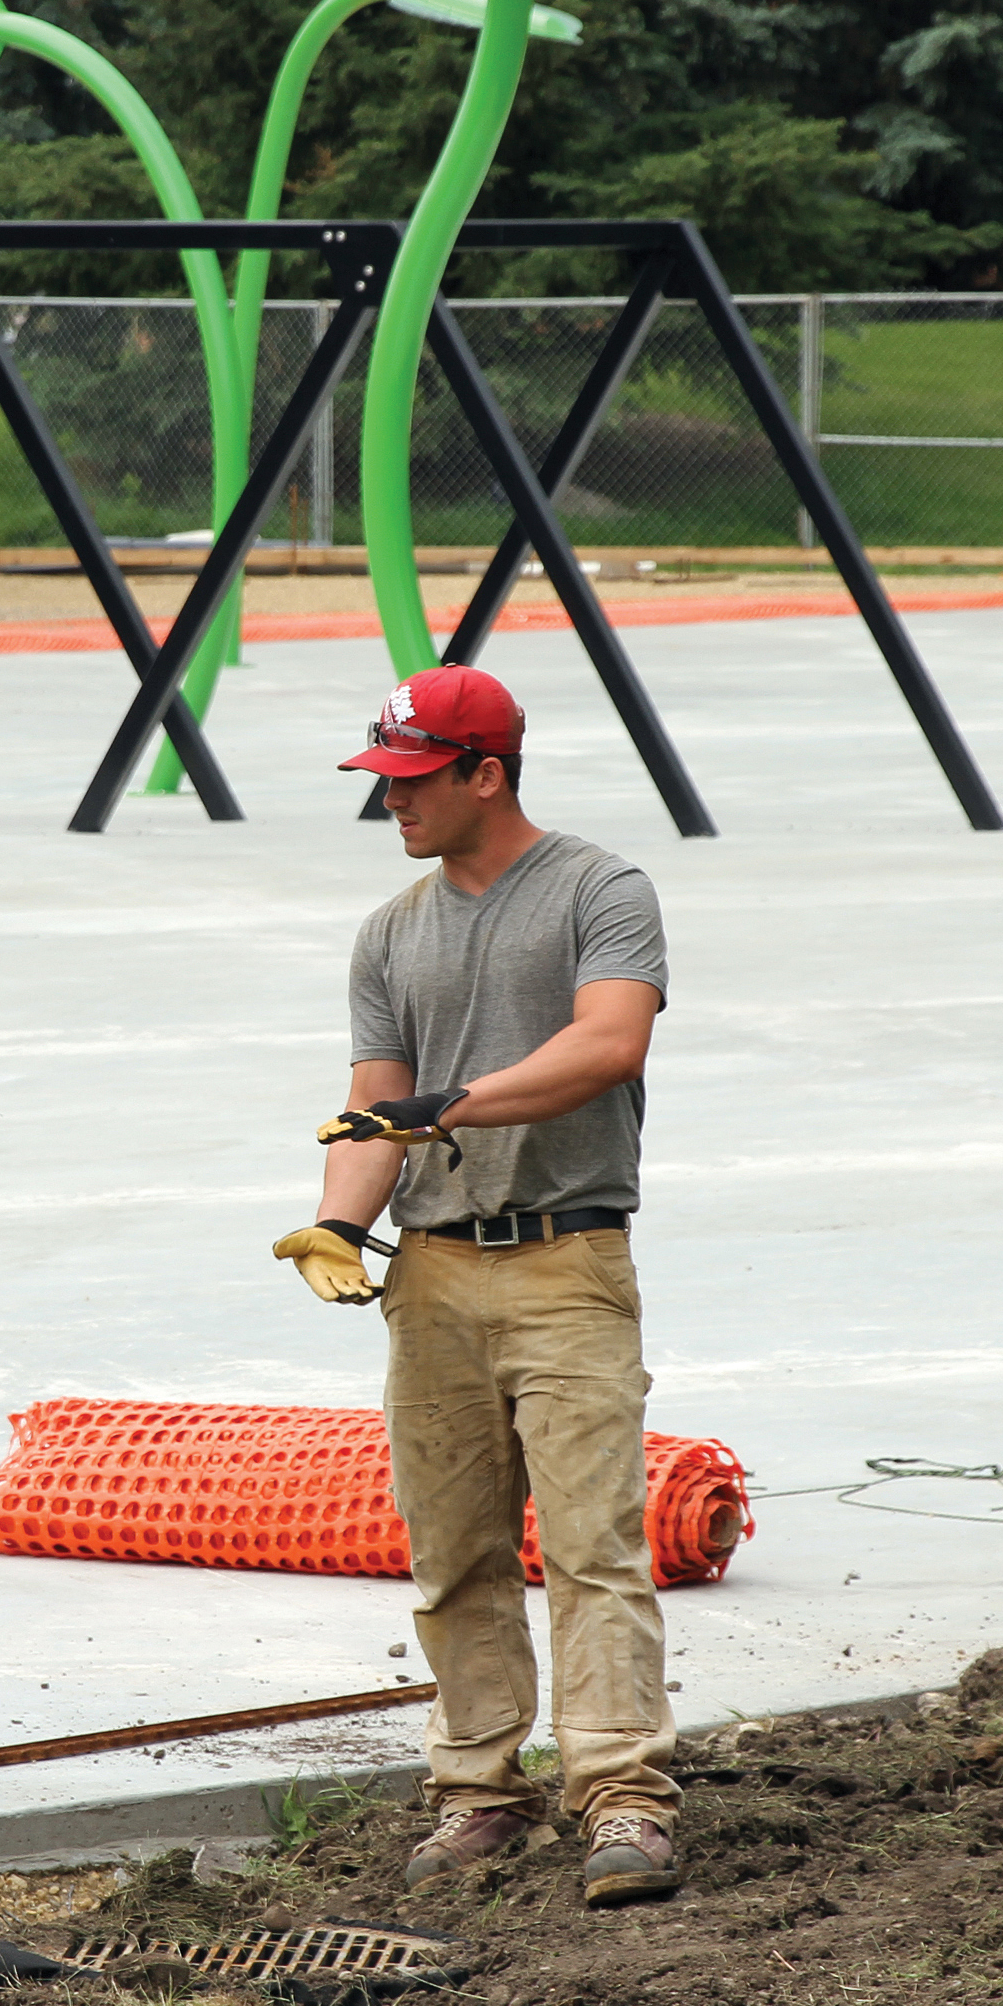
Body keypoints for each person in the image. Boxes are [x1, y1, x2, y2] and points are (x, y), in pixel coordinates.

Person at [273, 663, 676, 1908]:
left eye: (411, 779)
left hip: (566, 1262)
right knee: (451, 1553)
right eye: (381, 778)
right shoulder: (389, 932)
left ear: (484, 773)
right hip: (434, 1274)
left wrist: (448, 1106)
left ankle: (621, 1795)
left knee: (593, 1545)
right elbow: (373, 1109)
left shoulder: (599, 890)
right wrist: (336, 1223)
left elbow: (607, 1042)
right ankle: (478, 1792)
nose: (389, 801)